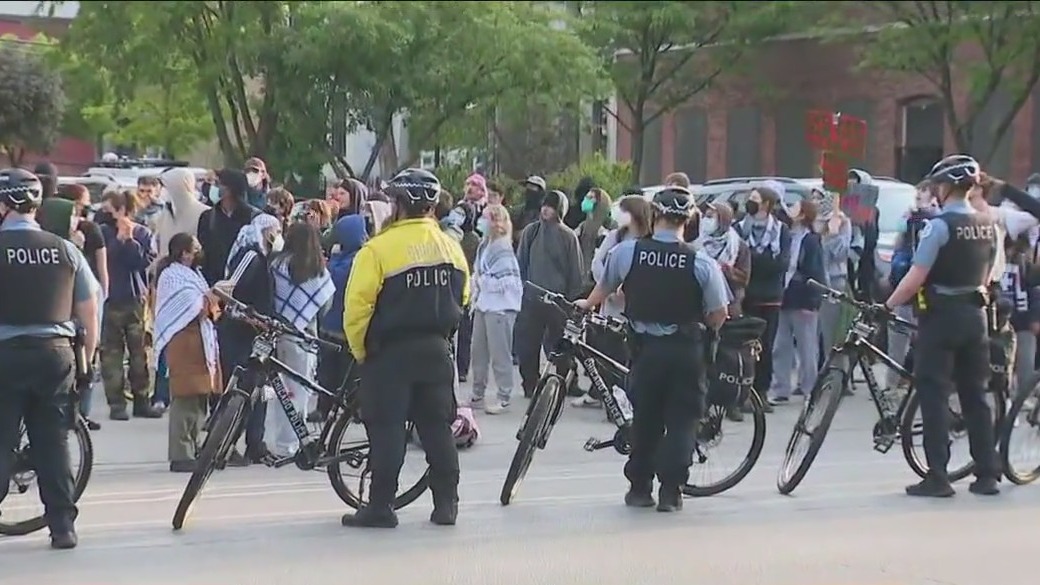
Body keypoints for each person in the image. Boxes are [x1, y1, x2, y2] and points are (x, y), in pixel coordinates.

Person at [576, 186, 728, 512]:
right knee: (682, 420)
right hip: (686, 352)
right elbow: (719, 315)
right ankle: (671, 492)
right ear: (688, 220)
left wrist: (587, 304)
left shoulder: (628, 252)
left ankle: (640, 488)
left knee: (645, 418)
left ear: (655, 215)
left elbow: (604, 287)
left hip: (645, 351)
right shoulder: (701, 262)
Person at [342, 168, 469, 529]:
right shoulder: (451, 247)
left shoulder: (378, 249)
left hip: (389, 354)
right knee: (437, 429)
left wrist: (360, 351)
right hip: (436, 349)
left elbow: (357, 308)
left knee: (387, 431)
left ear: (398, 205)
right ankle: (447, 505)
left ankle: (381, 507)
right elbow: (463, 296)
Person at [883, 154, 1000, 497]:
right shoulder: (987, 223)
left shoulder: (939, 226)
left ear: (946, 187)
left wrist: (887, 305)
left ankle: (938, 476)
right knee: (975, 395)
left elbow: (915, 277)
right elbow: (991, 273)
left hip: (941, 317)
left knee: (933, 393)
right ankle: (987, 473)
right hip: (976, 317)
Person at [0, 168, 100, 549]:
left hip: (5, 355)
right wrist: (86, 363)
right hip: (55, 356)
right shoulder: (66, 250)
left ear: (6, 205)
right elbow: (90, 311)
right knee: (53, 441)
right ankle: (62, 526)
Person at [572, 195, 653, 408]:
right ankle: (602, 394)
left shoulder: (649, 241)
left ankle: (625, 399)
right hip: (610, 306)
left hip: (635, 309)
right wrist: (607, 286)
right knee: (605, 351)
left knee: (627, 357)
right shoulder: (616, 237)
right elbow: (599, 262)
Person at [216, 213, 283, 466]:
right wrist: (250, 317)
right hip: (239, 335)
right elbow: (226, 290)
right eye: (276, 230)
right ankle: (225, 444)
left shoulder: (266, 259)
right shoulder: (250, 255)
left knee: (263, 391)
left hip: (260, 338)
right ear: (266, 232)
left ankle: (257, 443)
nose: (279, 235)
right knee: (239, 392)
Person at [153, 233, 222, 473]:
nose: (200, 250)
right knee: (185, 398)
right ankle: (180, 454)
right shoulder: (172, 276)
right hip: (184, 342)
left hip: (200, 341)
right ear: (184, 252)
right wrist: (212, 297)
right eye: (196, 247)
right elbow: (190, 307)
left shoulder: (194, 274)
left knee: (199, 397)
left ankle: (193, 447)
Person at [40, 192, 107, 430]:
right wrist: (88, 358)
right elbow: (89, 306)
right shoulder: (68, 253)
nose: (76, 222)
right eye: (71, 217)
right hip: (61, 341)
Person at [268, 223, 335, 458]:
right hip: (304, 338)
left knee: (281, 391)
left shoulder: (276, 265)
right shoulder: (318, 271)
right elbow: (325, 305)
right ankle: (292, 442)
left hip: (275, 334)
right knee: (299, 391)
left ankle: (281, 441)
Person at [98, 190, 162, 420]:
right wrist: (118, 241)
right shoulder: (103, 233)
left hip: (135, 298)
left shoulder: (143, 233)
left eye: (111, 210)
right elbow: (102, 260)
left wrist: (130, 241)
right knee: (112, 354)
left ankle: (141, 399)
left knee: (139, 352)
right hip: (111, 298)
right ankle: (116, 404)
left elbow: (143, 262)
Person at [515, 189, 584, 398]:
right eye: (545, 205)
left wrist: (572, 300)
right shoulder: (531, 231)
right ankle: (530, 383)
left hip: (559, 302)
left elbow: (575, 270)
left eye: (551, 206)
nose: (546, 210)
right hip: (532, 298)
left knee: (561, 344)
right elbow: (522, 262)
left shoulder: (568, 236)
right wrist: (523, 289)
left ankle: (566, 382)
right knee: (528, 344)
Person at [734, 187, 791, 414]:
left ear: (767, 204)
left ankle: (762, 392)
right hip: (747, 297)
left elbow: (781, 264)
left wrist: (754, 262)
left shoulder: (781, 231)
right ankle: (742, 395)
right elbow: (738, 261)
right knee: (744, 348)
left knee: (766, 348)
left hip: (771, 298)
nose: (750, 203)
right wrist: (759, 262)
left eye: (755, 200)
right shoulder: (739, 228)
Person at [767, 199, 827, 405]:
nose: (788, 210)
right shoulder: (784, 235)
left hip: (803, 299)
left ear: (803, 214)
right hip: (783, 297)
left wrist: (813, 300)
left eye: (794, 207)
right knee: (780, 345)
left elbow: (817, 271)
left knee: (807, 347)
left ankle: (810, 387)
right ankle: (781, 388)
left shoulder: (811, 240)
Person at [468, 204, 522, 414]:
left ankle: (504, 395)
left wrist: (482, 281)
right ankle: (477, 393)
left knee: (500, 353)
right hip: (483, 304)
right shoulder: (484, 246)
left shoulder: (503, 249)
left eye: (485, 218)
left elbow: (505, 280)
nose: (481, 221)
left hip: (501, 307)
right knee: (478, 351)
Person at [315, 214, 369, 422]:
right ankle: (323, 407)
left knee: (350, 373)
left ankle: (353, 408)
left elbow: (336, 279)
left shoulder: (359, 259)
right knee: (327, 371)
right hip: (331, 324)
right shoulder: (341, 256)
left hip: (347, 327)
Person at [197, 169, 259, 286]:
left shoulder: (253, 219)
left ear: (229, 189)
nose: (213, 187)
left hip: (243, 285)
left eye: (217, 183)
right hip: (213, 285)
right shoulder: (208, 217)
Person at [576, 188, 613, 292]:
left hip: (596, 285)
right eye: (586, 197)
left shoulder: (605, 233)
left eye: (591, 198)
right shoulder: (582, 227)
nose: (586, 200)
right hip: (580, 282)